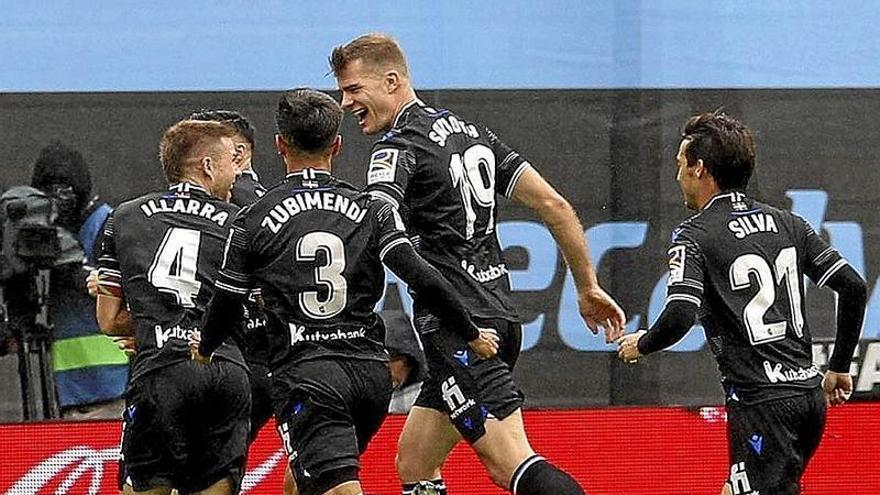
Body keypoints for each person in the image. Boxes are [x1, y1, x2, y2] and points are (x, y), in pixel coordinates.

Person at [329, 33, 626, 495]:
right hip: (500, 320)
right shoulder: (471, 134)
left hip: (461, 329)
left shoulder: (397, 146)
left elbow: (381, 223)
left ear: (391, 81)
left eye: (353, 89)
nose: (344, 102)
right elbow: (555, 205)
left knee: (510, 463)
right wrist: (587, 287)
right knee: (415, 460)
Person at [193, 88, 499, 495]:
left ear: (279, 145)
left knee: (337, 486)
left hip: (310, 374)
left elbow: (227, 301)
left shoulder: (254, 218)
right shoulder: (372, 209)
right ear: (336, 145)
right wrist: (471, 331)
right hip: (370, 378)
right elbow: (422, 276)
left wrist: (206, 346)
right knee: (302, 480)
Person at [617, 111, 867, 495]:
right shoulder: (790, 224)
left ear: (700, 169)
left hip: (763, 406)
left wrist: (643, 343)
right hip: (807, 399)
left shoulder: (694, 234)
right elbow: (852, 287)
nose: (677, 175)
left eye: (681, 164)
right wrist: (839, 367)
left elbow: (681, 313)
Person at [95, 119, 250, 495]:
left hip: (160, 371)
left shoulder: (123, 217)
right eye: (233, 161)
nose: (238, 173)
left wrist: (155, 322)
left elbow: (108, 319)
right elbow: (254, 309)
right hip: (224, 371)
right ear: (208, 166)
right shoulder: (241, 222)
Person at [186, 109, 273, 444]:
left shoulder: (229, 204)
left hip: (236, 357)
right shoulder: (268, 201)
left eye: (209, 151)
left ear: (238, 154)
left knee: (204, 473)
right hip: (262, 359)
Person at [30, 142, 126, 419]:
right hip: (71, 390)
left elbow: (124, 290)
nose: (58, 196)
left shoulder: (107, 223)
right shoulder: (47, 232)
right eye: (48, 188)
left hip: (113, 389)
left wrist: (74, 271)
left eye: (65, 186)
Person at [187, 109, 267, 205]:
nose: (189, 155)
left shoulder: (223, 194)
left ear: (238, 153)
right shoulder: (268, 198)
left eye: (202, 146)